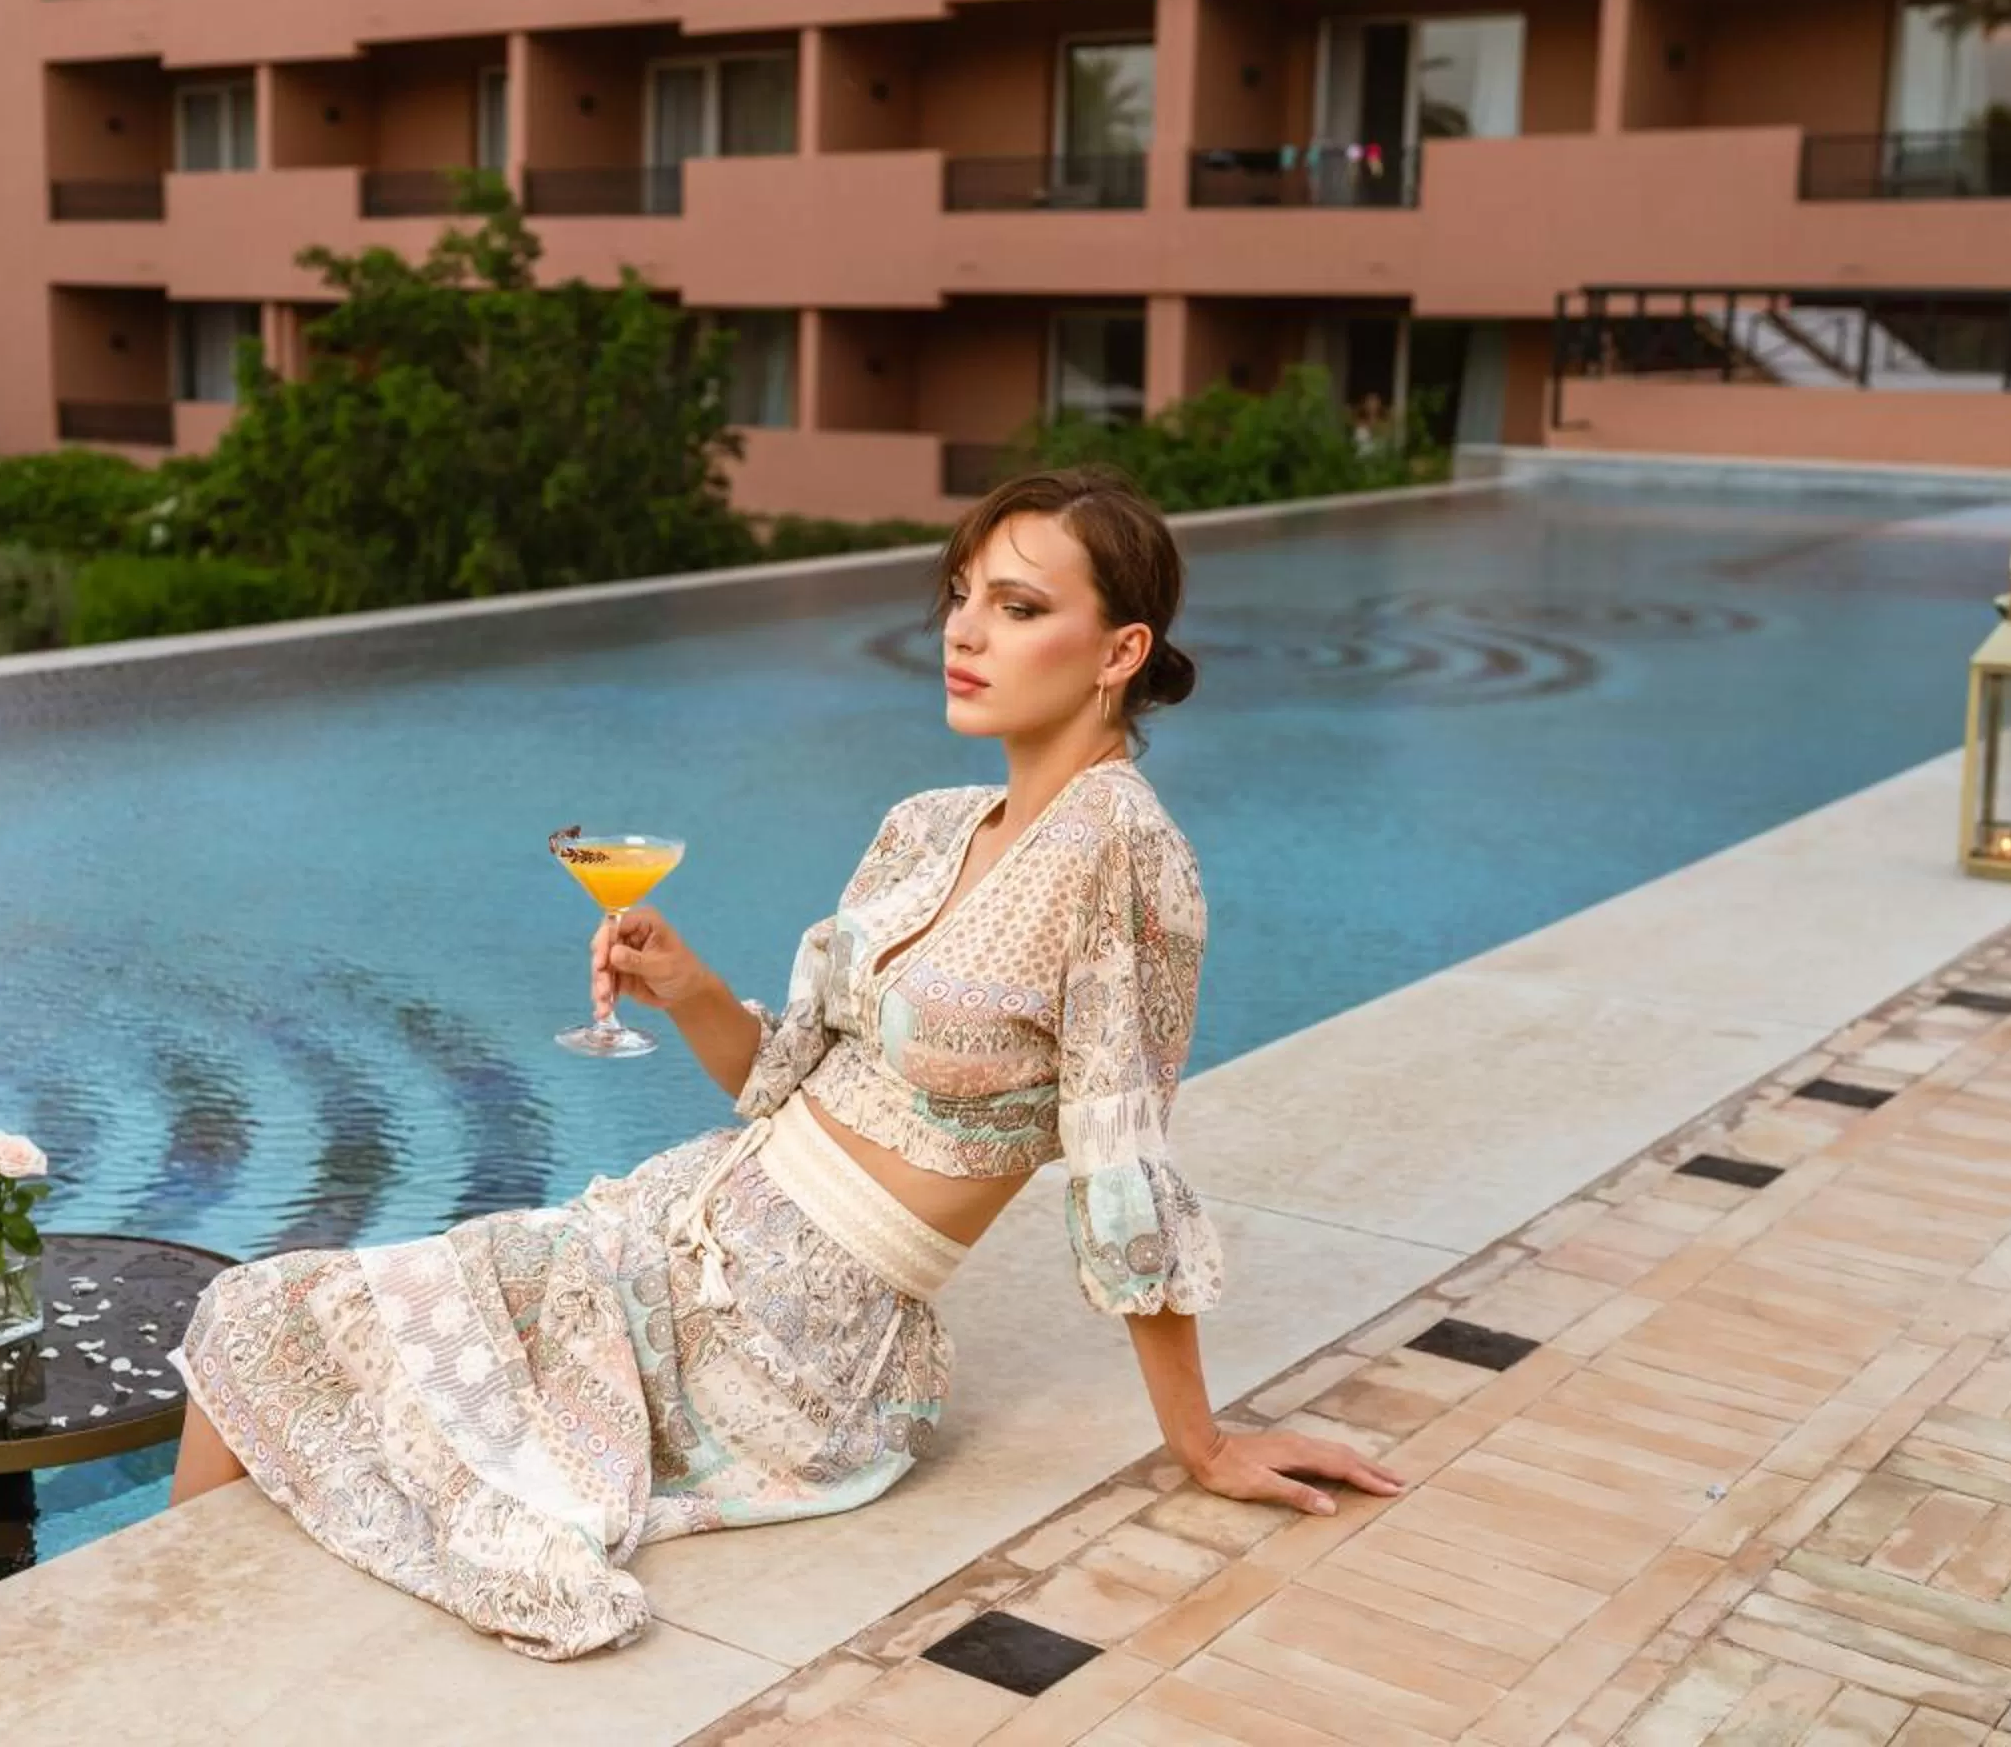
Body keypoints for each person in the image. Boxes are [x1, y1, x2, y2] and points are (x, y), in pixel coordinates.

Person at [169, 464, 1403, 1660]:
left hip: (789, 1336)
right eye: (963, 594)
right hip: (680, 1222)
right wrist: (688, 983)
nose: (965, 630)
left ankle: (180, 1656)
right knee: (262, 1323)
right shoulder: (926, 826)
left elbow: (1123, 1169)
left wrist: (1203, 1441)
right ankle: (186, 1647)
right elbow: (784, 1087)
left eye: (1019, 608)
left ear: (1120, 650)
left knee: (272, 1321)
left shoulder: (1120, 851)